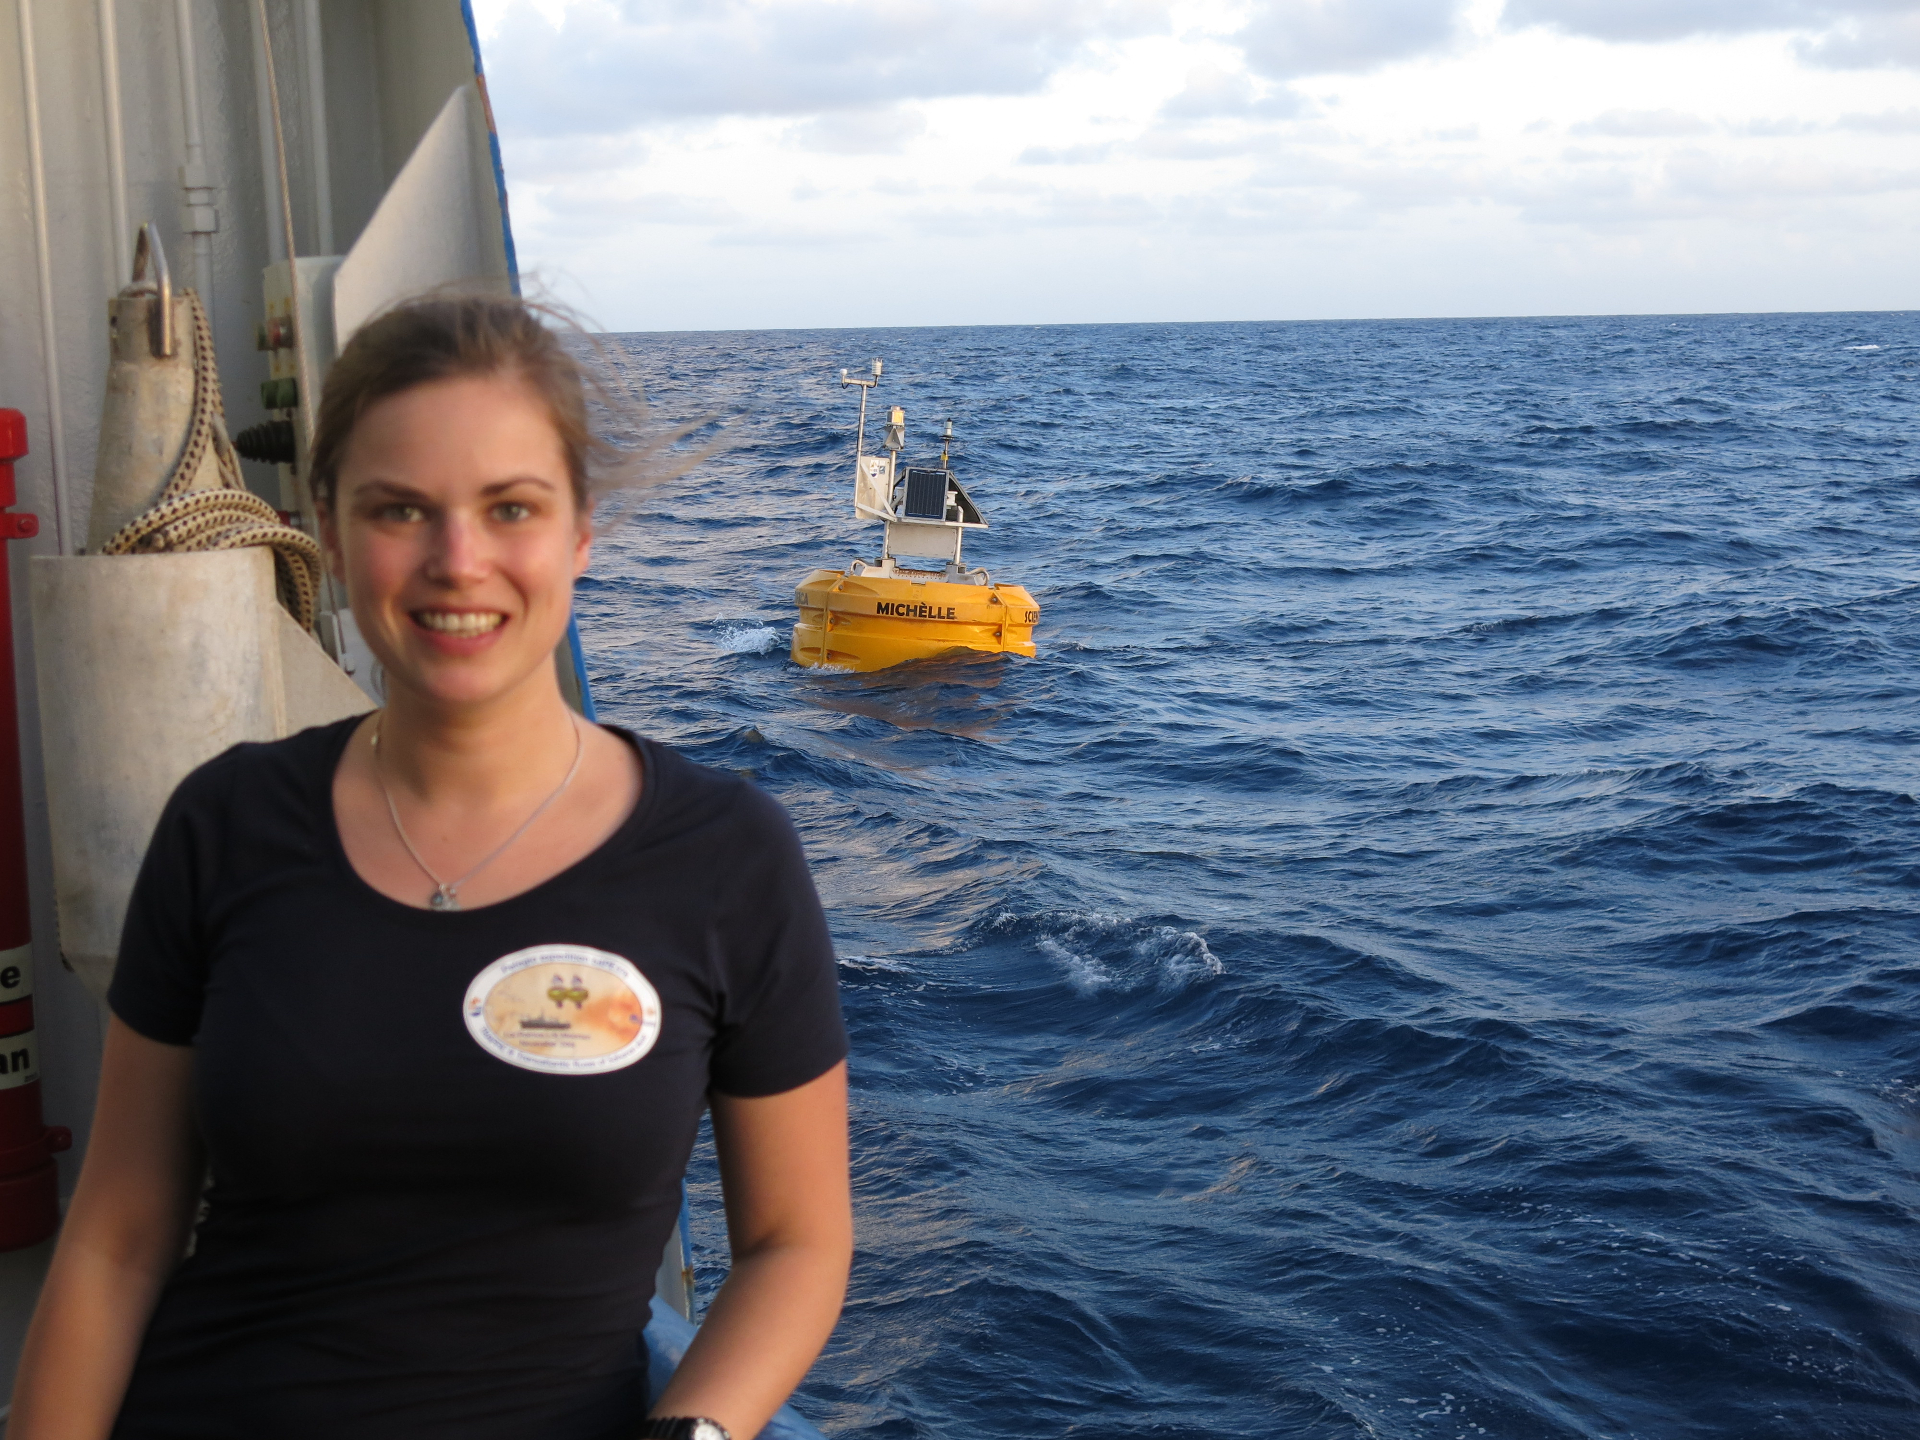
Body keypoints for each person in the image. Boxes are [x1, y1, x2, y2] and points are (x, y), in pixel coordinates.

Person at [7, 296, 851, 1440]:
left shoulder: (724, 860)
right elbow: (117, 1235)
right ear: (333, 534)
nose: (460, 563)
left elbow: (796, 1243)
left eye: (511, 508)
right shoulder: (228, 825)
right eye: (400, 509)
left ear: (580, 531)